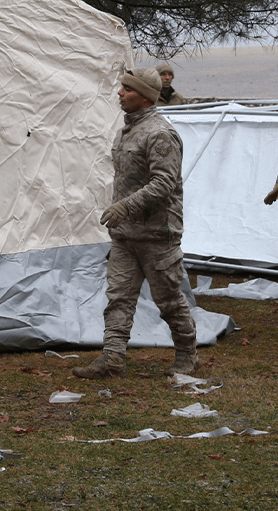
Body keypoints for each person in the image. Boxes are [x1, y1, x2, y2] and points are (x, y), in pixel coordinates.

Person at [73, 68, 199, 379]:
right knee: (119, 297)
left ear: (144, 97)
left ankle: (187, 356)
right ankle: (113, 357)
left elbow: (164, 183)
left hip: (158, 234)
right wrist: (122, 217)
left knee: (169, 300)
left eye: (127, 90)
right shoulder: (126, 131)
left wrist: (124, 207)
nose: (120, 93)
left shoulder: (160, 134)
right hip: (126, 235)